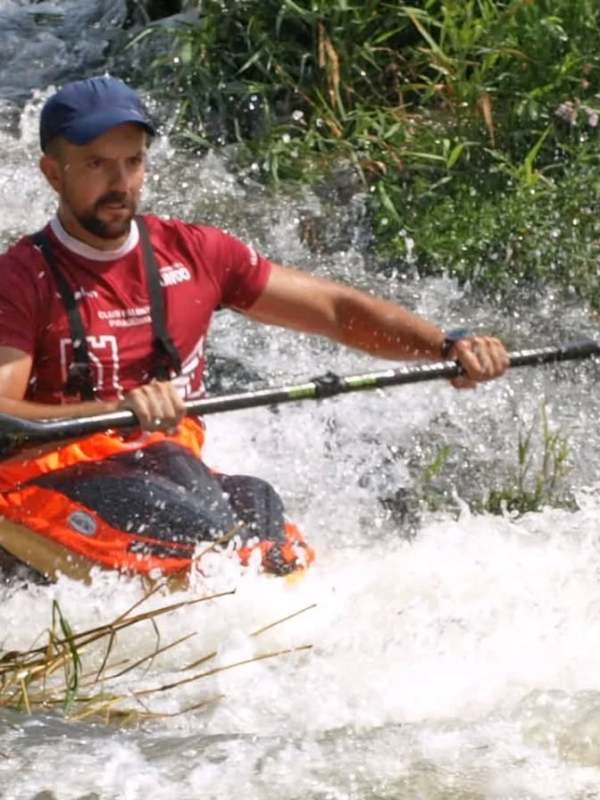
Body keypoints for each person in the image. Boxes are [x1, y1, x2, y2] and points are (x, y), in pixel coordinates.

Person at [0, 76, 509, 583]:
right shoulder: (20, 278)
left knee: (262, 529)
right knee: (203, 552)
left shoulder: (196, 252)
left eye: (132, 162)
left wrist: (446, 347)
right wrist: (114, 409)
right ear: (53, 173)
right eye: (97, 164)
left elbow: (336, 311)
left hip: (167, 465)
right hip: (44, 475)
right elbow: (4, 416)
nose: (121, 182)